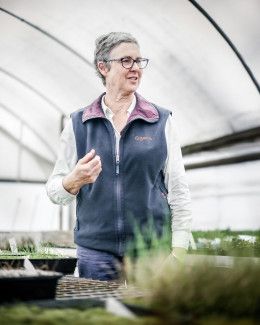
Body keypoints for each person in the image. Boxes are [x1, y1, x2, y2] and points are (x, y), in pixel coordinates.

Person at [46, 32, 192, 281]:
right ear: (103, 67)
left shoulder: (160, 121)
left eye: (139, 61)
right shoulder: (79, 124)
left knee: (150, 318)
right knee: (100, 315)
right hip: (96, 252)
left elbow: (178, 191)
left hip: (151, 252)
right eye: (126, 61)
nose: (135, 68)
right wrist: (73, 180)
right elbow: (54, 191)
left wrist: (178, 253)